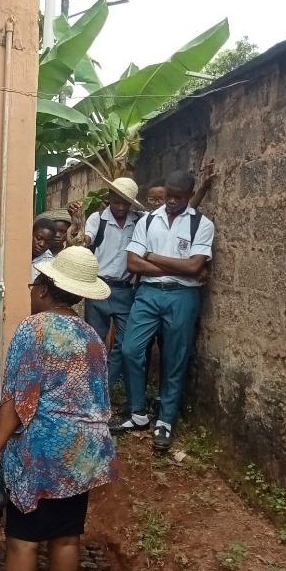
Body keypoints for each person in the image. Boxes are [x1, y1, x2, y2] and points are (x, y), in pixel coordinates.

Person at [0, 247, 117, 571]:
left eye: (37, 283)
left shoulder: (33, 331)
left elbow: (18, 403)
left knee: (23, 542)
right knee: (67, 539)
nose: (32, 289)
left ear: (47, 290)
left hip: (41, 455)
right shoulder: (91, 336)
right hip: (83, 454)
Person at [119, 170, 215, 452]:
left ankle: (166, 420)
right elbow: (132, 264)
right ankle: (138, 412)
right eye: (168, 195)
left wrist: (152, 256)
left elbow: (194, 267)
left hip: (182, 297)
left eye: (177, 197)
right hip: (148, 293)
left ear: (188, 195)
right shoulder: (149, 220)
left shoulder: (202, 224)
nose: (170, 201)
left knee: (175, 358)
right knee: (130, 349)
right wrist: (176, 266)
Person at [71, 178, 141, 392]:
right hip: (99, 288)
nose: (120, 207)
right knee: (94, 341)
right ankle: (90, 387)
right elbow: (85, 240)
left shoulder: (139, 221)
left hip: (125, 290)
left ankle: (105, 387)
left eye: (124, 203)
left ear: (130, 204)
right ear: (109, 197)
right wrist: (76, 224)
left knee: (125, 343)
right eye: (116, 201)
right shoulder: (97, 219)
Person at [31, 218, 56, 282]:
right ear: (31, 234)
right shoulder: (18, 251)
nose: (42, 244)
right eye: (39, 238)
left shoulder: (50, 264)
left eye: (47, 242)